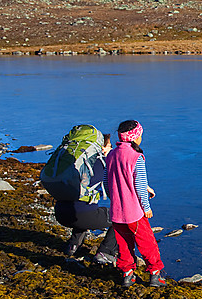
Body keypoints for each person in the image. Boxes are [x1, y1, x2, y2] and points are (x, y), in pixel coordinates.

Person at [104, 120, 167, 288]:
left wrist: (115, 199)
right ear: (135, 137)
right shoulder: (136, 157)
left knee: (123, 244)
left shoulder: (111, 155)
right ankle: (155, 274)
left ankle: (127, 274)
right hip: (135, 213)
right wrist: (146, 207)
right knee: (147, 243)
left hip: (117, 212)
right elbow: (139, 185)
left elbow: (106, 182)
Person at [54, 132, 120, 264]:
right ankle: (106, 252)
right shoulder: (103, 163)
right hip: (81, 216)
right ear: (101, 148)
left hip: (60, 212)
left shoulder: (76, 163)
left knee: (83, 206)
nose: (111, 149)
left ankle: (72, 246)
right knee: (121, 218)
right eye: (109, 146)